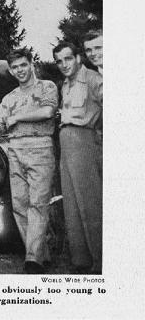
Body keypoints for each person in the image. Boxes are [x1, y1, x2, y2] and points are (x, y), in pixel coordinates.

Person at [0, 48, 58, 274]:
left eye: (23, 65)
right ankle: (42, 254)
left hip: (39, 147)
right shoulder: (9, 97)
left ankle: (33, 260)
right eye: (15, 67)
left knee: (38, 204)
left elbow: (48, 111)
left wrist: (17, 117)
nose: (20, 70)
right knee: (20, 205)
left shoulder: (47, 87)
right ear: (11, 71)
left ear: (31, 64)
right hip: (15, 150)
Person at [53, 41, 103, 274]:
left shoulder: (92, 78)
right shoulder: (66, 83)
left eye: (68, 59)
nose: (64, 65)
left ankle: (101, 260)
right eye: (59, 61)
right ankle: (81, 260)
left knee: (89, 203)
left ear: (78, 58)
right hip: (66, 144)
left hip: (83, 142)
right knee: (71, 204)